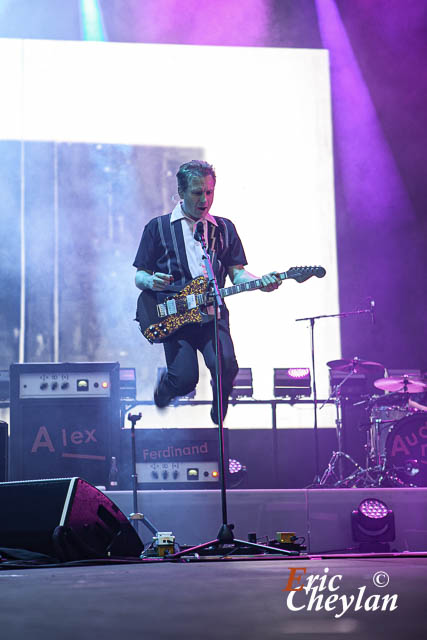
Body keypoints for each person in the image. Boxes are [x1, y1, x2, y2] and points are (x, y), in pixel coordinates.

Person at [133, 160, 281, 424]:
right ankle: (167, 387)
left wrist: (260, 282)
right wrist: (151, 281)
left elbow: (236, 273)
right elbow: (139, 275)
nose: (204, 199)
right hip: (175, 317)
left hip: (213, 313)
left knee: (226, 364)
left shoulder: (223, 228)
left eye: (209, 192)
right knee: (185, 379)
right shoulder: (157, 227)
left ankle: (220, 398)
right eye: (197, 192)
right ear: (181, 192)